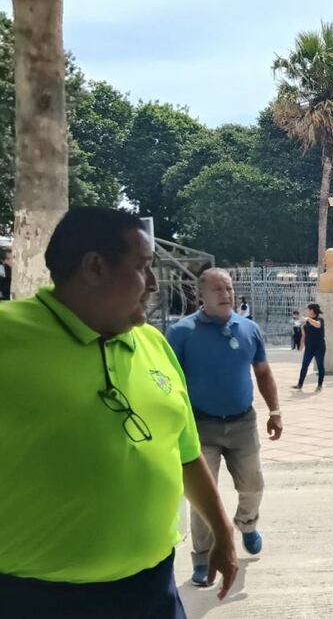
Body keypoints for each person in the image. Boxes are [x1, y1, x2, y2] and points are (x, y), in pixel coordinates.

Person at [0, 207, 238, 617]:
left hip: (152, 591)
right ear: (94, 267)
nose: (152, 284)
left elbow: (185, 454)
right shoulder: (8, 338)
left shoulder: (154, 344)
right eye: (142, 268)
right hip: (33, 599)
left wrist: (223, 534)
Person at [167, 268, 283, 586]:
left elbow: (262, 373)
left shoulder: (248, 328)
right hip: (200, 425)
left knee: (253, 484)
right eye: (217, 289)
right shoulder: (181, 332)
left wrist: (275, 411)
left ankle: (247, 523)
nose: (226, 294)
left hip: (243, 423)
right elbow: (170, 380)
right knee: (205, 496)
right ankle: (202, 559)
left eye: (229, 288)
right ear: (200, 295)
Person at [295, 303, 326, 391]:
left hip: (319, 348)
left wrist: (308, 319)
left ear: (312, 310)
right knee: (304, 365)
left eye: (308, 310)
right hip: (309, 348)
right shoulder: (306, 323)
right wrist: (301, 345)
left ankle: (320, 385)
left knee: (320, 366)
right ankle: (300, 384)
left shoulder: (320, 319)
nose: (307, 311)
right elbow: (304, 335)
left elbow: (317, 325)